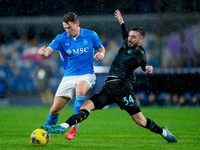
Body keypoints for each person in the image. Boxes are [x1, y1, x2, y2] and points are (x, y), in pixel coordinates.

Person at [41, 10, 177, 143]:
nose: (130, 39)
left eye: (134, 37)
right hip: (109, 88)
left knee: (140, 121)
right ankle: (64, 126)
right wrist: (121, 22)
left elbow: (142, 62)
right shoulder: (126, 44)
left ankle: (163, 131)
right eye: (129, 36)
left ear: (141, 40)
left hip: (124, 90)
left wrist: (146, 67)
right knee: (85, 107)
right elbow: (125, 35)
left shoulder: (139, 52)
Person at [38, 12, 105, 140]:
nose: (67, 31)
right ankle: (44, 134)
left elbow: (101, 48)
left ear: (77, 23)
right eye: (65, 28)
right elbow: (49, 50)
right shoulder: (61, 38)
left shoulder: (90, 35)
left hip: (87, 75)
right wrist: (43, 52)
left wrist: (101, 54)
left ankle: (74, 128)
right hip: (69, 77)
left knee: (80, 90)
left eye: (69, 27)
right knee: (55, 110)